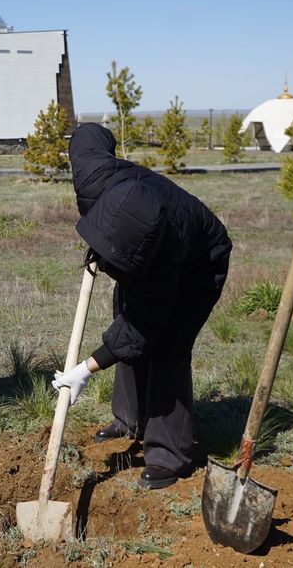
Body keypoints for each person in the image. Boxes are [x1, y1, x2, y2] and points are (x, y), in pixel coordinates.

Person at [51, 123, 232, 490]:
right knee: (123, 312)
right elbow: (88, 141)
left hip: (199, 262)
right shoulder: (96, 178)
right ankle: (129, 419)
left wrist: (85, 369)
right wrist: (102, 246)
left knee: (167, 346)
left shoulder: (165, 254)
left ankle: (168, 454)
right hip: (145, 245)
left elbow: (142, 325)